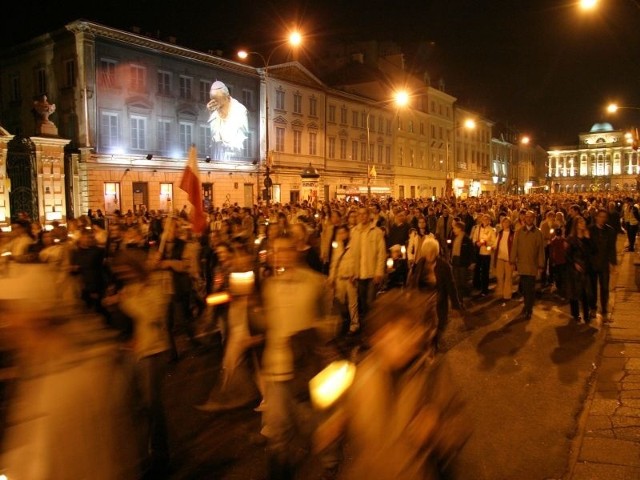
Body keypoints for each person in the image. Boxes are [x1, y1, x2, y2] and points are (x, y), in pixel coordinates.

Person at [313, 290, 471, 480]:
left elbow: (460, 426)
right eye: (399, 331)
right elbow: (349, 407)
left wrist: (437, 430)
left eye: (413, 331)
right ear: (378, 336)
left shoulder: (432, 373)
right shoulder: (363, 371)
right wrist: (338, 422)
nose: (410, 339)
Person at [260, 234, 336, 479]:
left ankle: (329, 465)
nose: (280, 255)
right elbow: (270, 326)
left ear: (295, 252)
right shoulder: (270, 286)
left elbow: (330, 321)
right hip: (277, 368)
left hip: (305, 368)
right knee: (278, 430)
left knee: (312, 424)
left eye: (285, 249)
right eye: (275, 251)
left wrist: (314, 332)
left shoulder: (316, 283)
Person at [407, 237, 462, 351]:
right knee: (423, 323)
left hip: (437, 298)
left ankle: (435, 341)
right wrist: (411, 295)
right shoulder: (421, 262)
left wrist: (456, 305)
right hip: (422, 298)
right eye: (427, 252)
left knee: (439, 323)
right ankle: (426, 342)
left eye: (432, 252)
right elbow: (414, 280)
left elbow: (451, 286)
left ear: (436, 251)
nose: (430, 255)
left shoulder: (444, 266)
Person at [350, 206, 387, 323]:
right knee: (362, 301)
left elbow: (381, 253)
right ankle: (367, 324)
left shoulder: (376, 232)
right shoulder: (354, 231)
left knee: (371, 301)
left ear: (369, 215)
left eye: (364, 214)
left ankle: (372, 324)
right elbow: (352, 253)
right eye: (360, 214)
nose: (362, 216)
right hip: (359, 273)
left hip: (372, 273)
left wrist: (379, 272)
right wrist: (352, 271)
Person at [510, 210, 545, 320]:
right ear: (524, 218)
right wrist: (512, 261)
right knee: (525, 288)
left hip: (532, 265)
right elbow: (515, 247)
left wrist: (541, 265)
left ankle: (529, 308)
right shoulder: (519, 232)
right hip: (522, 265)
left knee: (530, 288)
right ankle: (526, 305)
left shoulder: (538, 233)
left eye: (531, 217)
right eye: (527, 217)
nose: (529, 219)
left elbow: (541, 250)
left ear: (534, 218)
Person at [328, 224, 359, 334]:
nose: (341, 235)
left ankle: (354, 324)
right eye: (339, 233)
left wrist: (355, 274)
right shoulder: (337, 246)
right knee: (339, 301)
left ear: (347, 233)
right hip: (339, 278)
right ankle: (342, 322)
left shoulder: (353, 245)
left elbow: (357, 260)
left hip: (350, 279)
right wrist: (332, 277)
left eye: (343, 233)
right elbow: (334, 262)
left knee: (352, 303)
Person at [207, 80, 249, 161]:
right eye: (213, 100)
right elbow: (213, 136)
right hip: (217, 158)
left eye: (217, 100)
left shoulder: (240, 110)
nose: (214, 103)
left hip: (235, 158)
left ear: (227, 97)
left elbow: (238, 137)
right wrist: (211, 114)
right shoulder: (214, 113)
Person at [588, 209, 617, 321]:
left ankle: (604, 308)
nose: (602, 219)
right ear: (596, 217)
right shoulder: (590, 229)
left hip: (604, 263)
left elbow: (612, 248)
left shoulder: (610, 231)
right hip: (592, 264)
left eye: (604, 217)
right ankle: (593, 308)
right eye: (600, 216)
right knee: (592, 288)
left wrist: (613, 263)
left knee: (604, 287)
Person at [565, 216, 595, 324]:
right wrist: (574, 264)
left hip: (586, 268)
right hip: (575, 270)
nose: (583, 224)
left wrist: (588, 239)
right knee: (575, 293)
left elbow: (592, 251)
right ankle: (575, 314)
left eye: (583, 222)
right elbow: (567, 255)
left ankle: (586, 315)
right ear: (576, 225)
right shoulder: (571, 239)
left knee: (586, 293)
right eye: (580, 222)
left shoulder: (587, 237)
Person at [449, 220, 476, 300]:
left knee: (463, 280)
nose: (453, 230)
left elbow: (471, 251)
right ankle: (459, 296)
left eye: (455, 228)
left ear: (460, 229)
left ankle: (466, 294)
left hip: (463, 262)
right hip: (455, 261)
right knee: (456, 280)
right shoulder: (455, 237)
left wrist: (473, 262)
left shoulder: (466, 239)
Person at [471, 214, 497, 297]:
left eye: (487, 219)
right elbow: (474, 238)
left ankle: (484, 289)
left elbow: (494, 243)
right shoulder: (477, 228)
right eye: (483, 219)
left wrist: (486, 243)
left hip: (486, 253)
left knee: (485, 272)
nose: (485, 221)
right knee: (477, 269)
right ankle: (477, 285)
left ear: (489, 221)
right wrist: (476, 242)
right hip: (478, 252)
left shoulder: (492, 230)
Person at [494, 217, 515, 304]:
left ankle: (507, 294)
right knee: (500, 276)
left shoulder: (513, 234)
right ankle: (500, 293)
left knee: (508, 277)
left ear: (509, 223)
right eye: (504, 222)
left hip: (509, 259)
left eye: (507, 222)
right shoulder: (500, 233)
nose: (505, 224)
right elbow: (496, 243)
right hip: (500, 257)